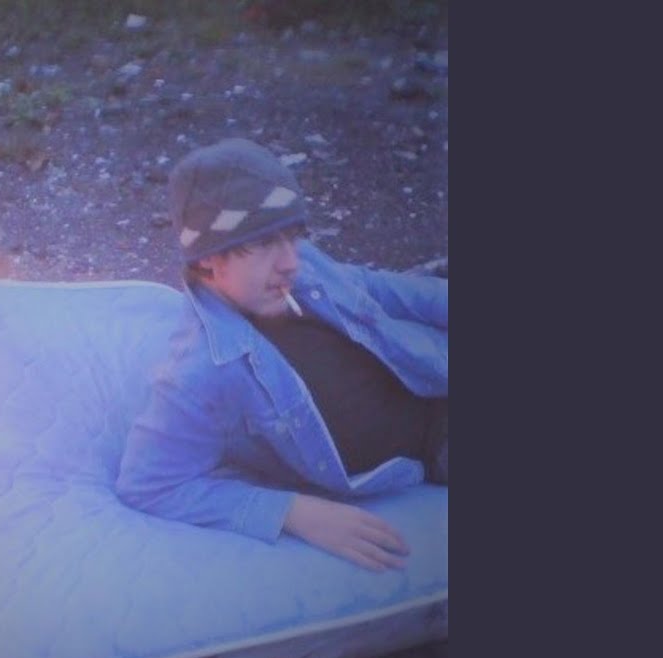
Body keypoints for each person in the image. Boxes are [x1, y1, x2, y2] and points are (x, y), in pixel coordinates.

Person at [116, 138, 447, 572]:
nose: (290, 261)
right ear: (208, 261)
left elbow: (380, 290)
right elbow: (148, 484)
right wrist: (293, 512)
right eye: (264, 243)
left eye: (292, 236)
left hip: (432, 375)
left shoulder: (300, 267)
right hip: (431, 444)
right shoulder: (199, 371)